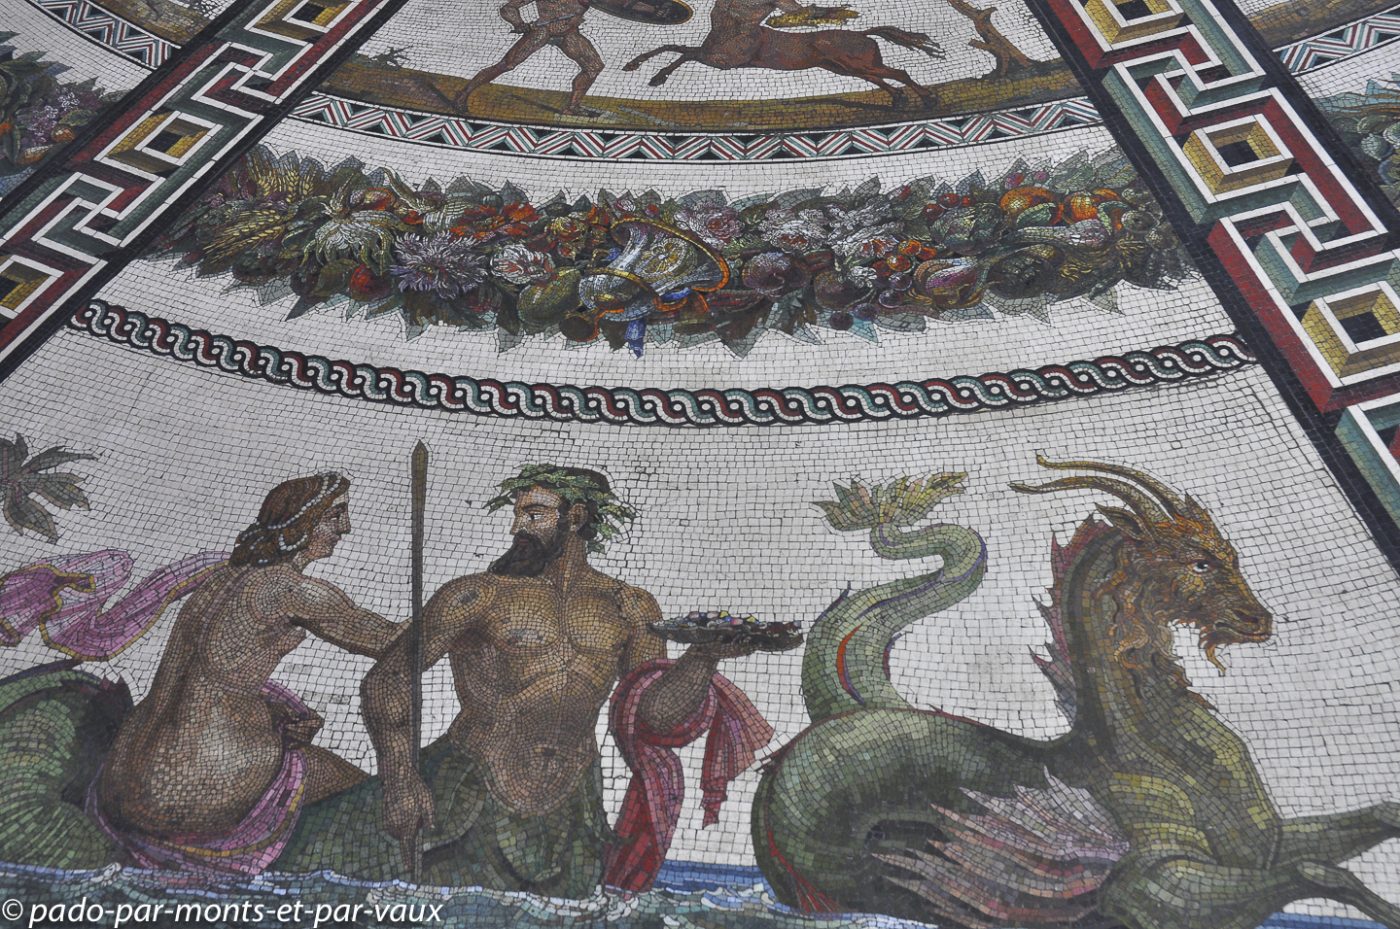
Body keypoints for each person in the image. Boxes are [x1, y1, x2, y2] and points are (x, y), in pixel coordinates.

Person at [273, 465, 772, 896]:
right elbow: (388, 680)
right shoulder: (478, 595)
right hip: (465, 793)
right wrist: (401, 780)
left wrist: (703, 657)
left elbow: (652, 719)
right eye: (517, 515)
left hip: (571, 807)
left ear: (575, 517)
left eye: (533, 514)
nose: (518, 527)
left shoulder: (630, 607)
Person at [91, 473, 402, 880]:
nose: (346, 527)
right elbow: (392, 641)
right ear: (302, 524)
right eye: (335, 515)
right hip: (189, 786)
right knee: (365, 792)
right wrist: (463, 611)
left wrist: (268, 710)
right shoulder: (290, 590)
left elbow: (218, 672)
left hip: (122, 780)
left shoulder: (221, 577)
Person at [454, 0, 605, 116]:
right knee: (507, 64)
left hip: (569, 33)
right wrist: (519, 24)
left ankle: (572, 107)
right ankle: (463, 94)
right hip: (543, 31)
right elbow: (508, 8)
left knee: (594, 67)